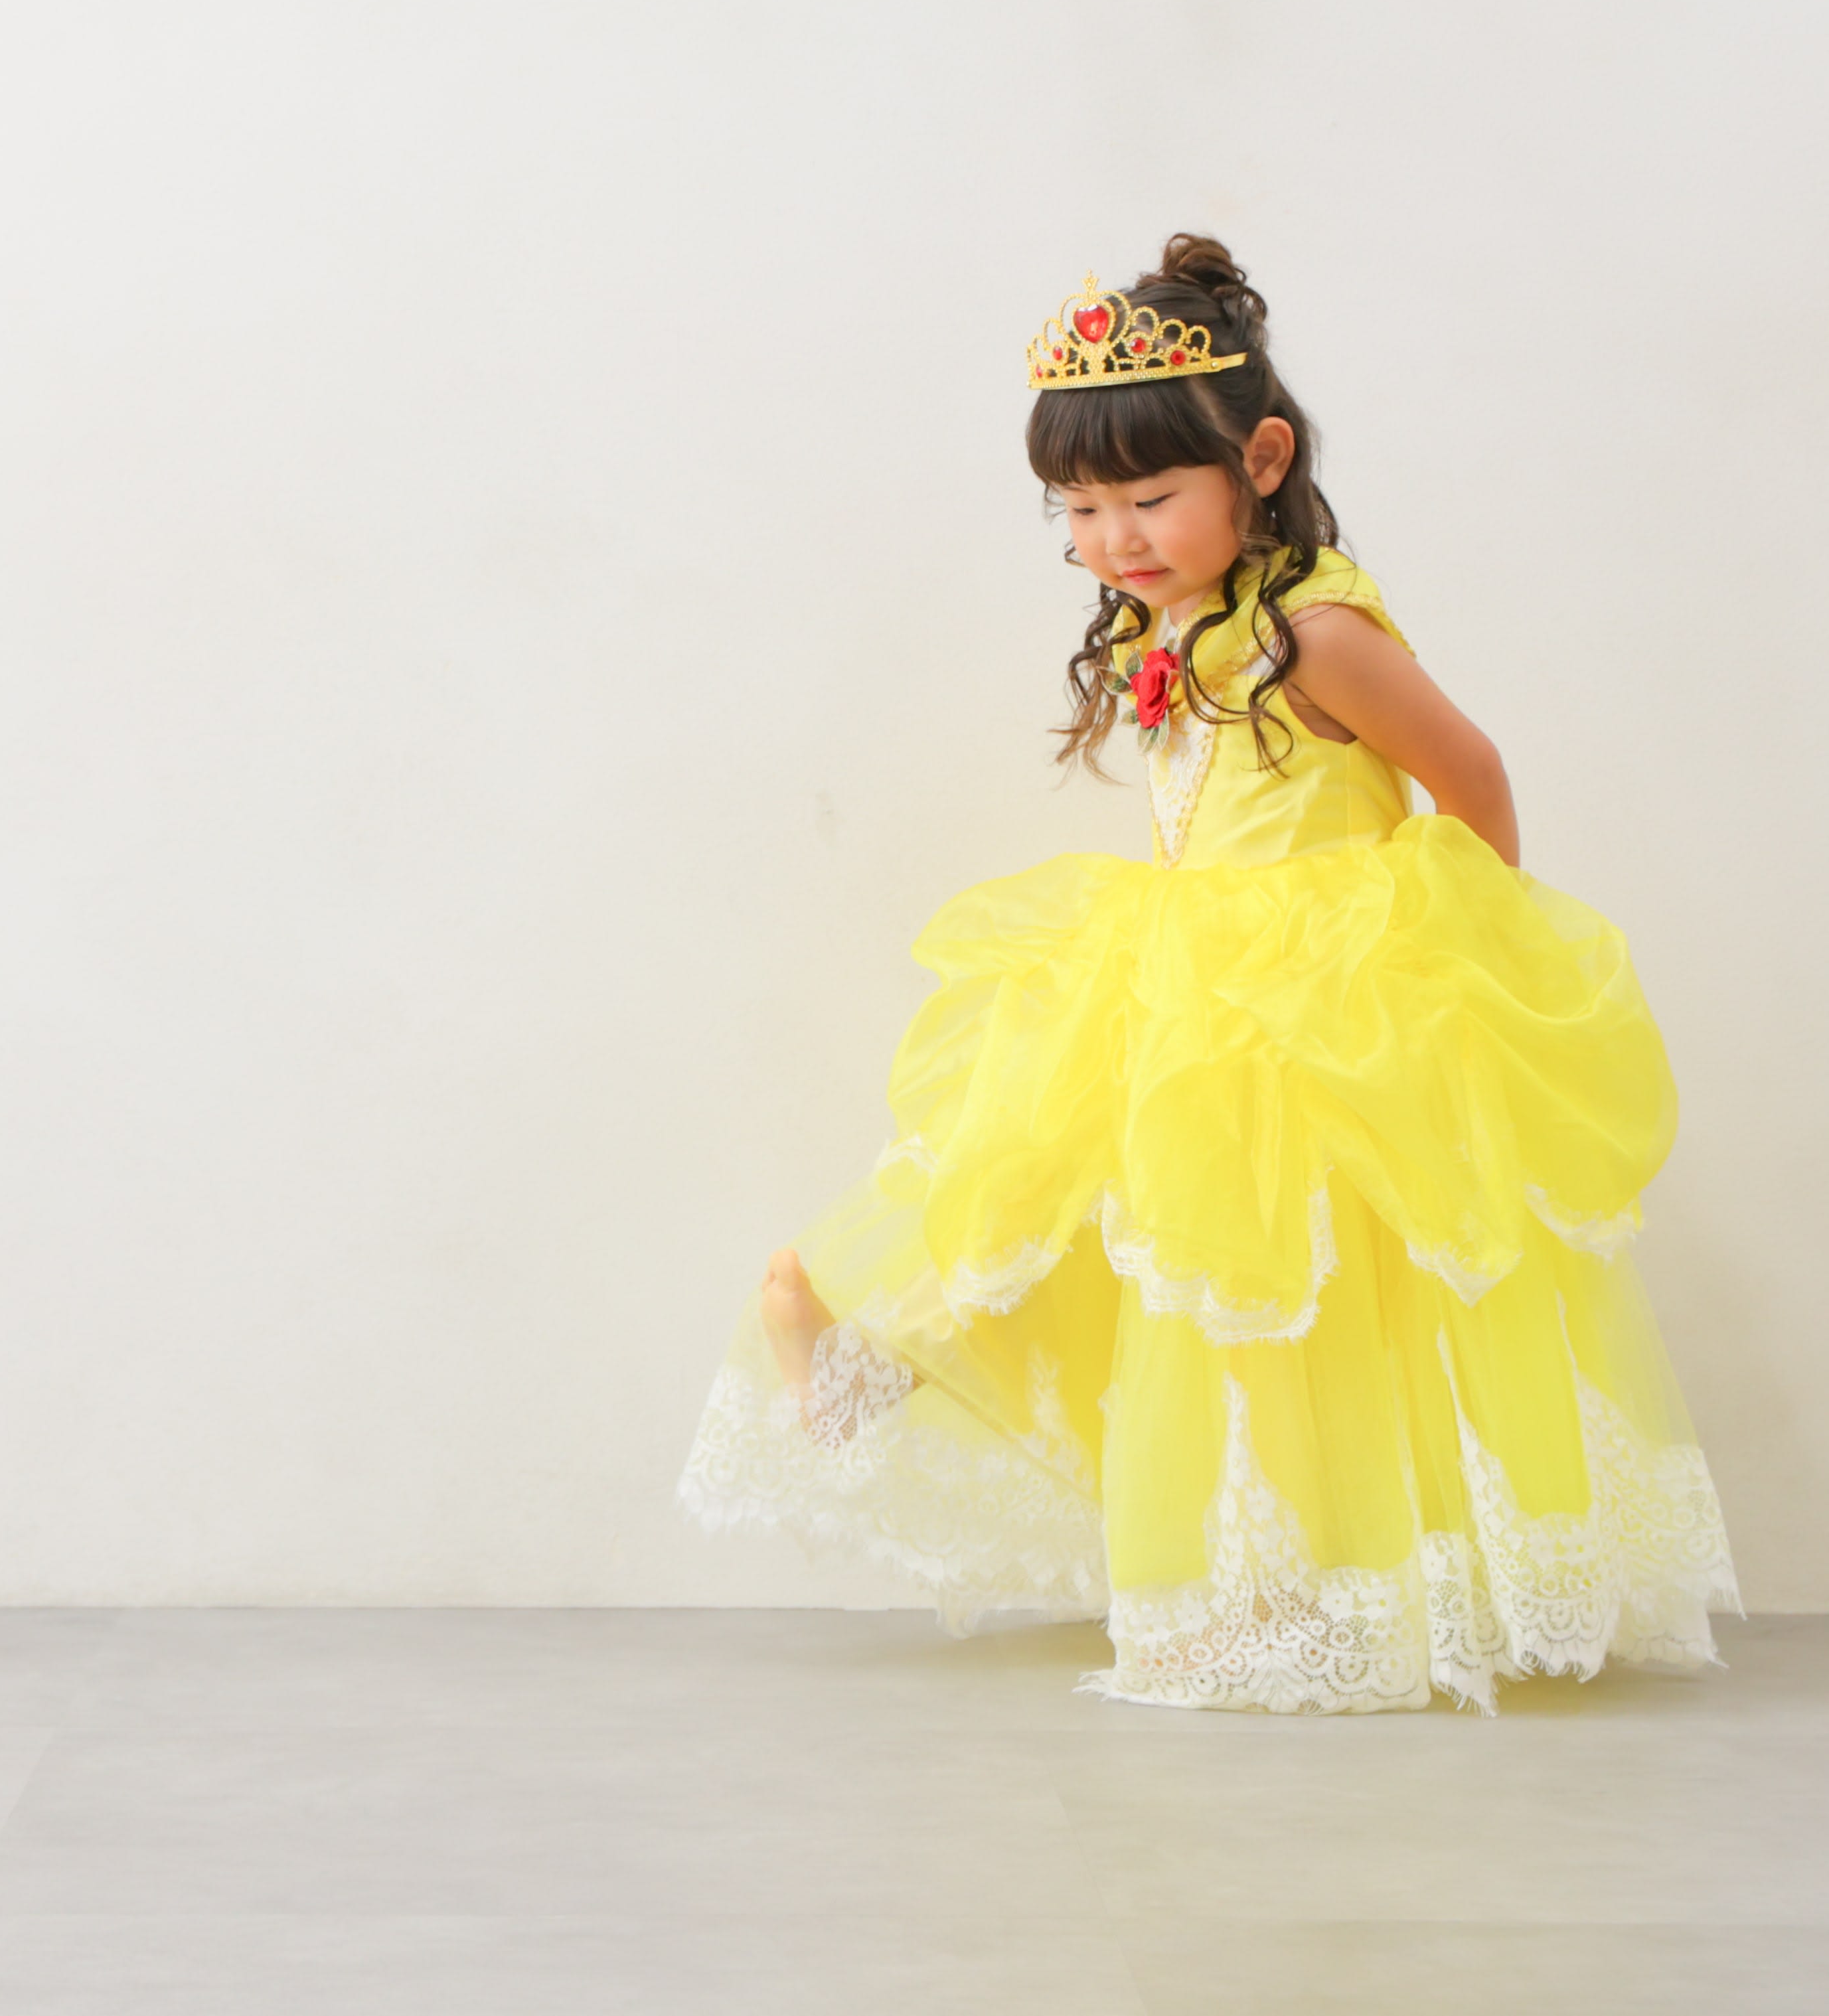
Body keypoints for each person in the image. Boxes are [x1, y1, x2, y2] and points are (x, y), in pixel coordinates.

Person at [678, 234, 1737, 1713]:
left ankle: (1319, 1584)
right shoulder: (1171, 615)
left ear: (1261, 460)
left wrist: (1465, 956)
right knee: (1073, 1197)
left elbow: (1471, 774)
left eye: (1148, 499)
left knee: (1306, 1285)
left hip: (1329, 996)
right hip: (1189, 980)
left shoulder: (1316, 631)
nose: (1114, 539)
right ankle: (881, 1358)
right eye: (1079, 510)